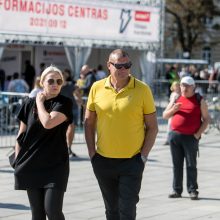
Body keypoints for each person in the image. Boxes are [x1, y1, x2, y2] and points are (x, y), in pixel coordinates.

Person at [84, 49, 158, 220]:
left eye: (128, 65)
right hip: (103, 160)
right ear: (109, 65)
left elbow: (153, 127)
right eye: (119, 65)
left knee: (127, 209)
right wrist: (91, 153)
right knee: (111, 210)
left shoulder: (142, 89)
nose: (124, 69)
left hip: (132, 162)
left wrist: (143, 157)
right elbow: (88, 122)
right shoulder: (97, 87)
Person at [14, 65, 73, 220]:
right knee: (37, 214)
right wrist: (17, 160)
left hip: (55, 166)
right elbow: (21, 134)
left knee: (53, 211)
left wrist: (39, 102)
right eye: (51, 81)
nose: (55, 84)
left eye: (59, 81)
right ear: (42, 83)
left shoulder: (64, 103)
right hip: (31, 164)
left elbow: (48, 123)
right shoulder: (28, 103)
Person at [163, 76, 210, 200]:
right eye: (182, 85)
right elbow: (165, 115)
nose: (184, 88)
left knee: (191, 165)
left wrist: (198, 134)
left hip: (191, 137)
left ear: (193, 87)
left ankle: (193, 190)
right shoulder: (177, 98)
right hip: (175, 136)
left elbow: (206, 119)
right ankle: (176, 190)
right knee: (176, 165)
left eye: (187, 86)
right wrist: (173, 109)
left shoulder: (199, 100)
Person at [60, 69, 82, 157]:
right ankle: (63, 148)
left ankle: (69, 148)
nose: (62, 77)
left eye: (63, 75)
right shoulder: (56, 86)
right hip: (61, 110)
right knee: (61, 130)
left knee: (71, 128)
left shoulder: (71, 85)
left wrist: (79, 100)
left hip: (72, 109)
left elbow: (77, 94)